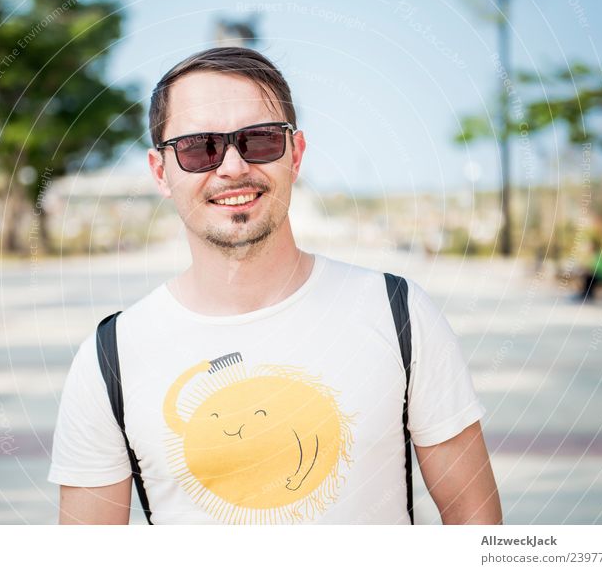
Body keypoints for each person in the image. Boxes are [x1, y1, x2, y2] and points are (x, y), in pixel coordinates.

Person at [48, 47, 502, 525]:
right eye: (198, 148)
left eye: (260, 140)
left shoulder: (399, 312)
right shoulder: (110, 357)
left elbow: (473, 514)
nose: (232, 167)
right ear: (161, 172)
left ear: (296, 154)